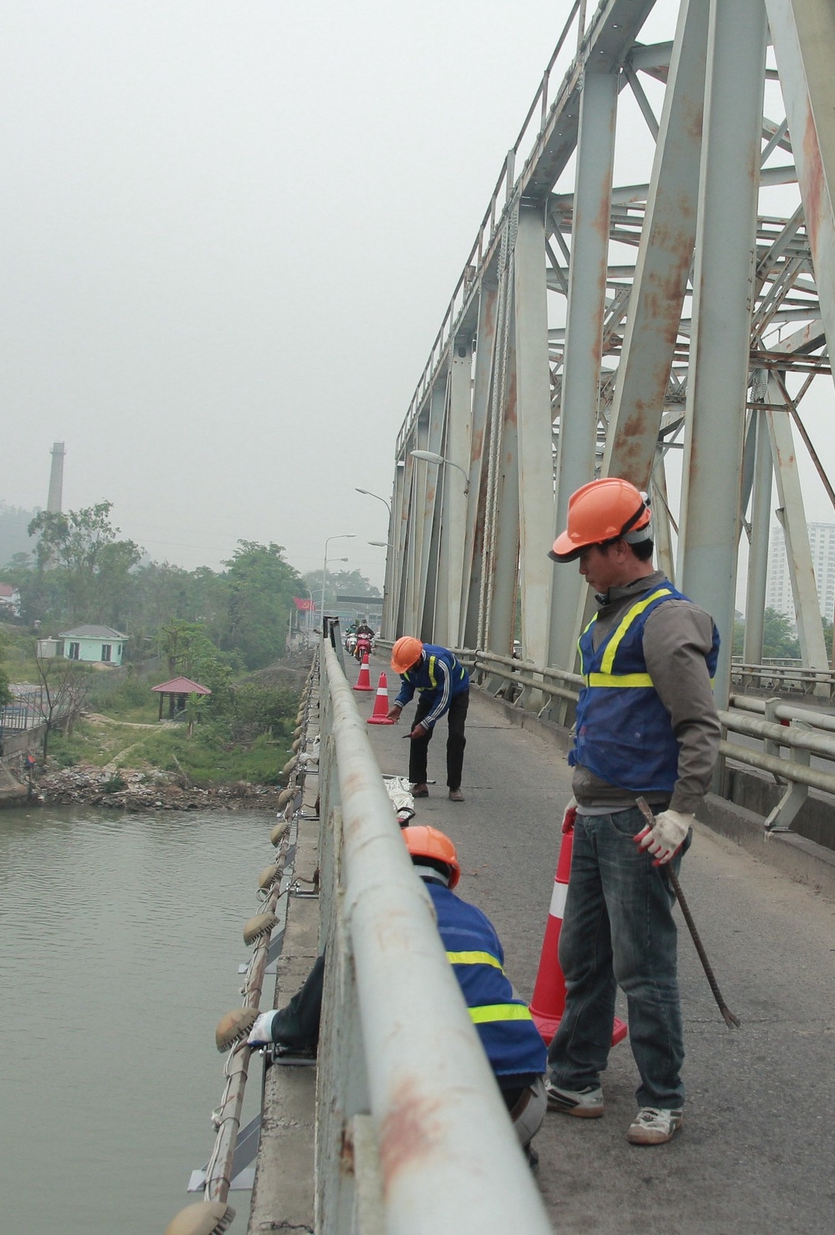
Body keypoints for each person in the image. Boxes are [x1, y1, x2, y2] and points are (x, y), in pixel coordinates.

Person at [540, 477, 721, 1148]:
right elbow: (606, 715)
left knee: (642, 966)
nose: (579, 566)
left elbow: (699, 729)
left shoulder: (667, 621)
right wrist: (583, 784)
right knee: (582, 957)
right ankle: (576, 1078)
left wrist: (681, 815)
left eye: (585, 554)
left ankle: (661, 1098)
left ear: (620, 548)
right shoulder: (608, 613)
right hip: (597, 813)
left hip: (640, 822)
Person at [233, 826, 549, 1161]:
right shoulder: (478, 919)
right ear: (450, 875)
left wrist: (270, 1026)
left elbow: (302, 1023)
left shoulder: (367, 912)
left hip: (440, 1108)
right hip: (527, 1102)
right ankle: (510, 1154)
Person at [389, 635, 470, 801]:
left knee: (456, 736)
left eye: (410, 667)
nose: (408, 670)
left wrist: (426, 723)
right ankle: (419, 783)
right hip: (428, 694)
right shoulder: (405, 665)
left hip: (456, 693)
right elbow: (407, 686)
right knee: (416, 733)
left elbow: (445, 698)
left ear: (418, 659)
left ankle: (454, 786)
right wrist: (398, 705)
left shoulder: (439, 663)